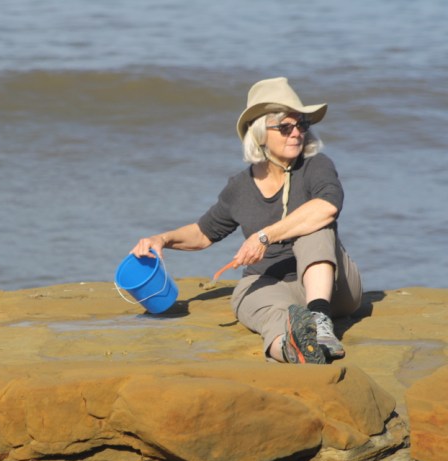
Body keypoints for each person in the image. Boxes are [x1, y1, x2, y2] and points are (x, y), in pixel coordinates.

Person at [130, 77, 362, 364]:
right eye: (285, 127)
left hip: (333, 288)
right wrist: (162, 239)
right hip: (274, 286)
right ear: (260, 134)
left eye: (301, 125)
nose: (296, 133)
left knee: (314, 227)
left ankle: (320, 322)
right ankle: (292, 349)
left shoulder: (316, 165)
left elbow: (327, 208)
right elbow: (204, 233)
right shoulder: (240, 187)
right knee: (248, 296)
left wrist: (265, 235)